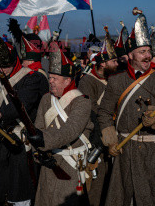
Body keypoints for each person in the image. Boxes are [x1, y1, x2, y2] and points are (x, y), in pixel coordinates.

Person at [97, 8, 155, 205]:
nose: (147, 56)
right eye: (142, 52)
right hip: (126, 152)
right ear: (131, 55)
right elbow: (104, 113)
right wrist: (110, 141)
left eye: (149, 51)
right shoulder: (117, 81)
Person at [0, 30, 49, 206]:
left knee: (21, 193)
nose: (3, 70)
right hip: (2, 138)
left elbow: (22, 104)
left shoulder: (32, 78)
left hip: (22, 141)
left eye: (6, 66)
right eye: (0, 67)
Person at [28, 42, 93, 206]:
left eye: (55, 78)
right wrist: (39, 153)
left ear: (67, 80)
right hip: (48, 162)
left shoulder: (82, 102)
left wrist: (43, 141)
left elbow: (70, 130)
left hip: (70, 165)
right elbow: (39, 128)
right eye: (49, 77)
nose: (50, 81)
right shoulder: (45, 99)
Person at [78, 27, 118, 206]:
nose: (117, 64)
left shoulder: (115, 79)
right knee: (97, 184)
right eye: (113, 61)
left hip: (115, 134)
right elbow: (90, 108)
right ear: (102, 63)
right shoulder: (87, 81)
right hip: (98, 137)